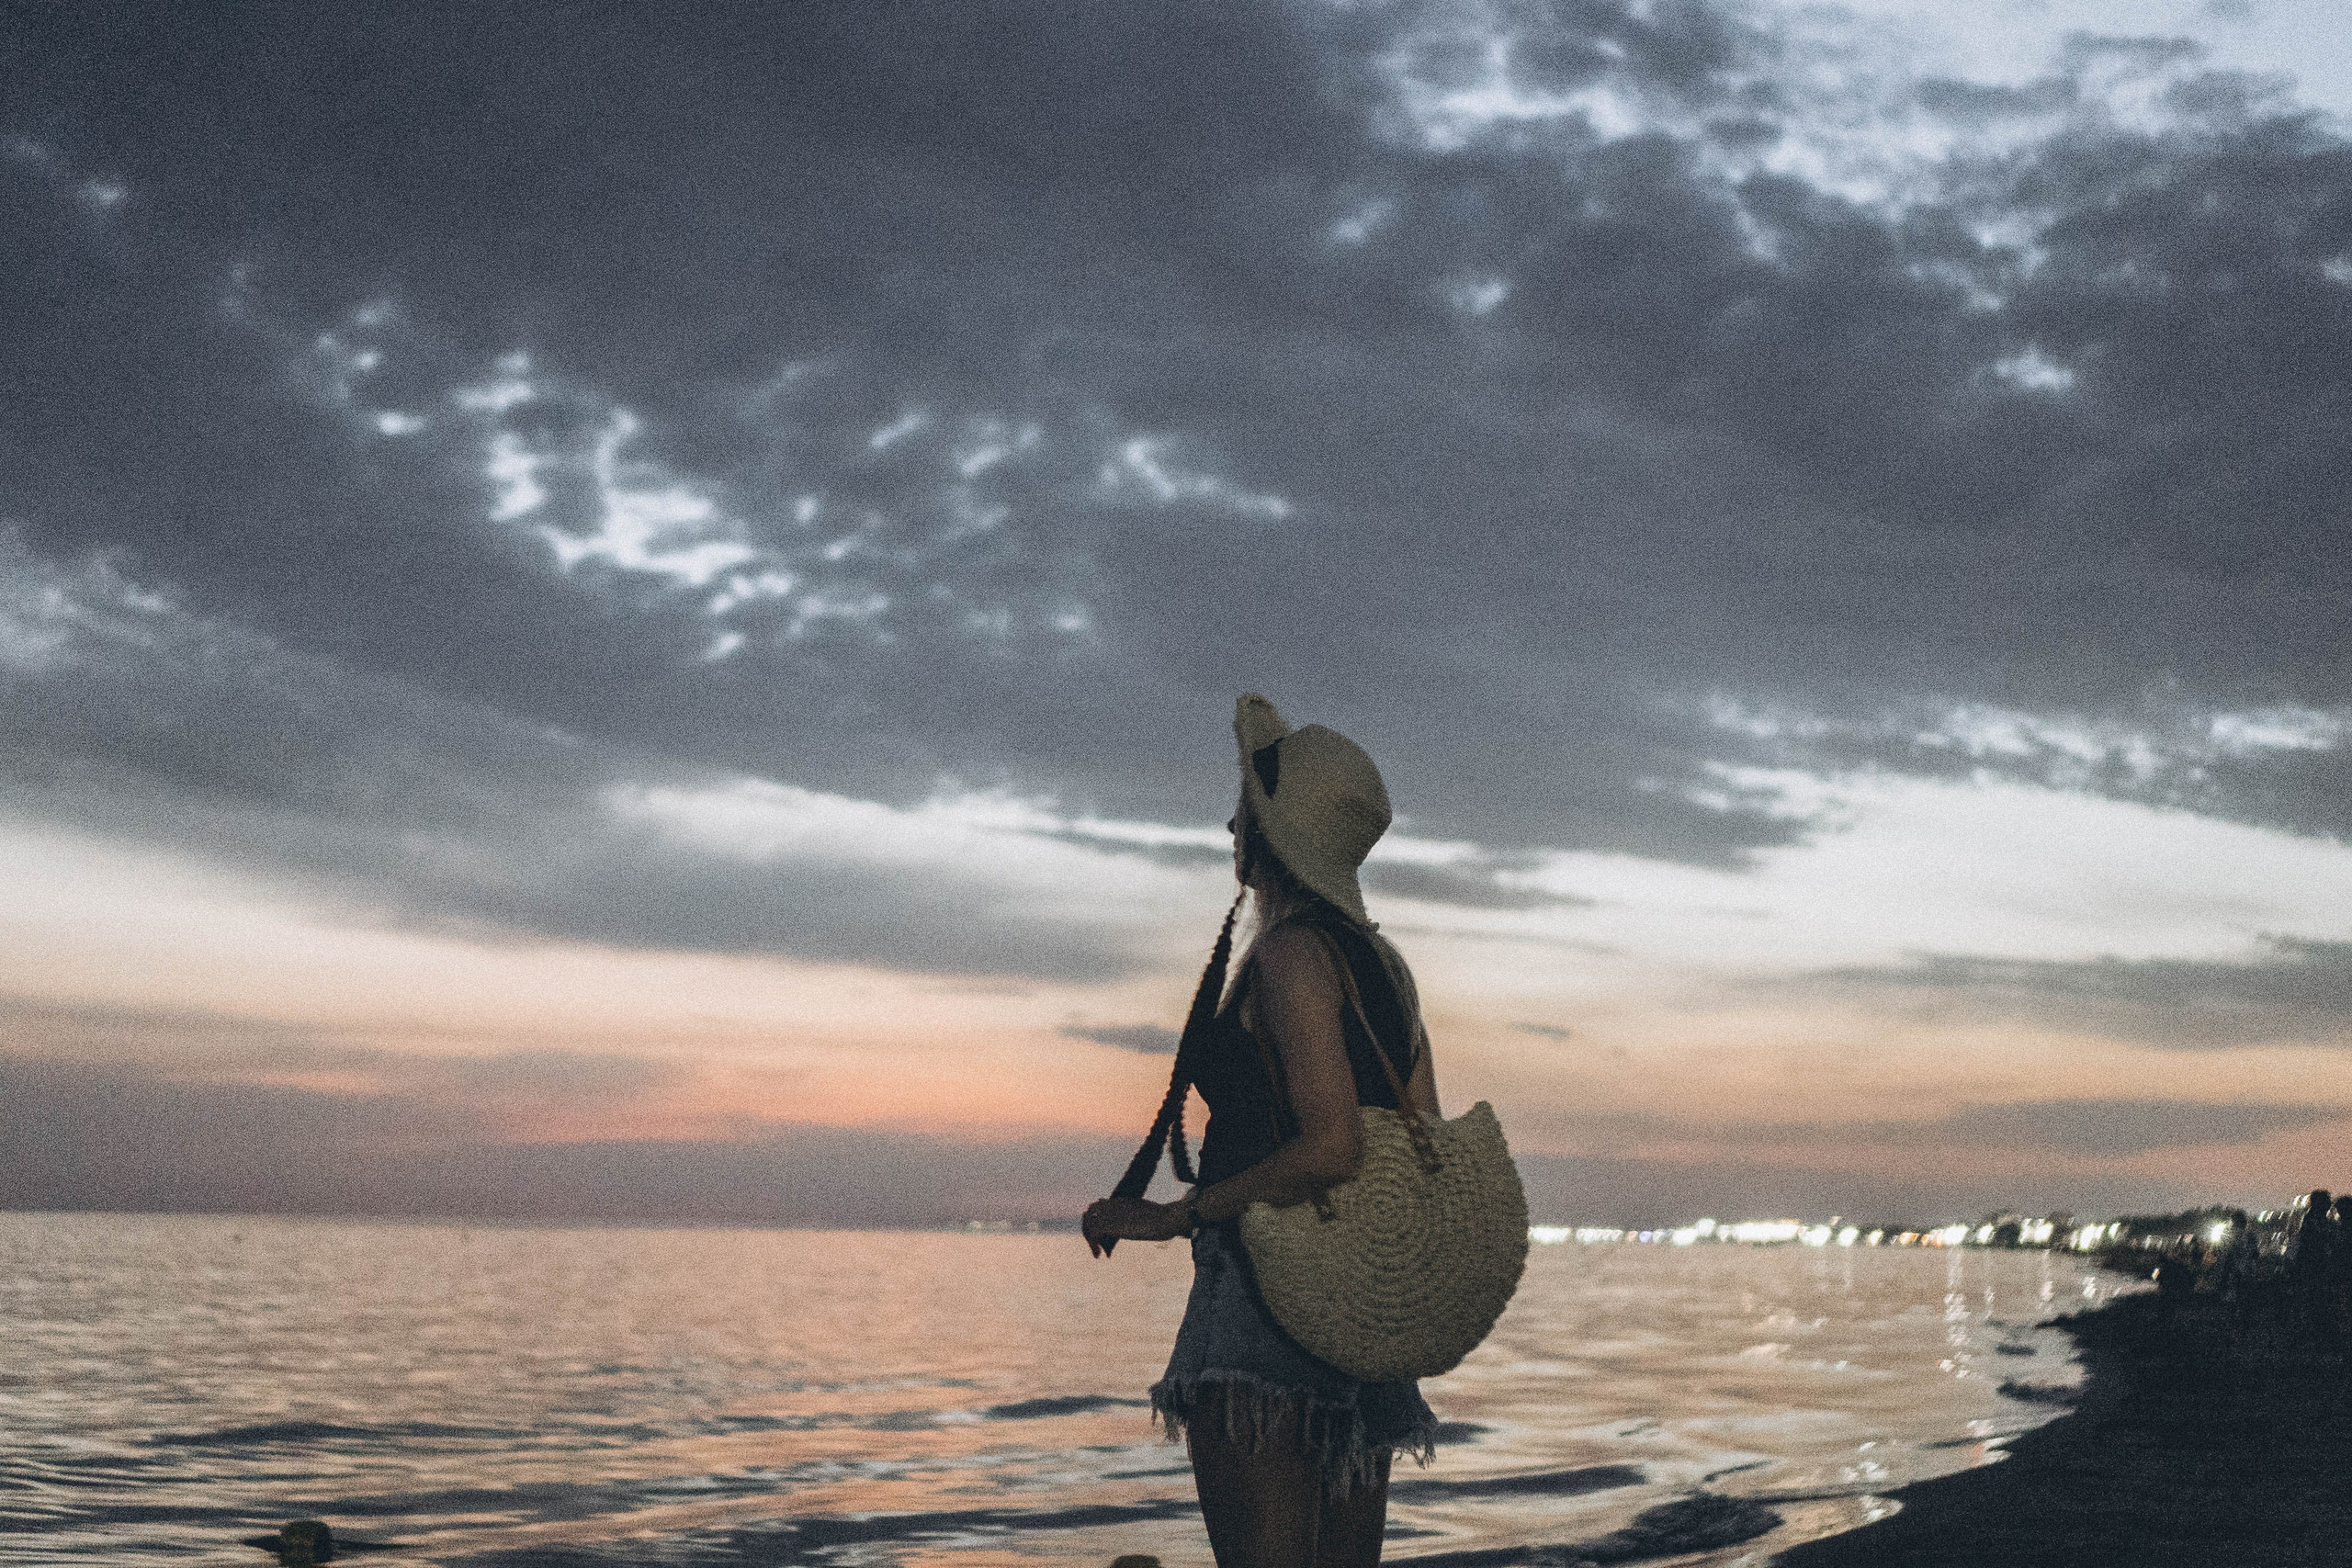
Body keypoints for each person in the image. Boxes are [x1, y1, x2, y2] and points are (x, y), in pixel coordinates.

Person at [1083, 694, 1442, 1568]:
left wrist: (1181, 1214)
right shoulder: (1382, 967)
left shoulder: (1288, 958)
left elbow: (1333, 1146)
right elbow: (1419, 1136)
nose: (1230, 821)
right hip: (1360, 1308)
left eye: (1246, 807)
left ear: (1275, 832)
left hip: (1263, 1301)